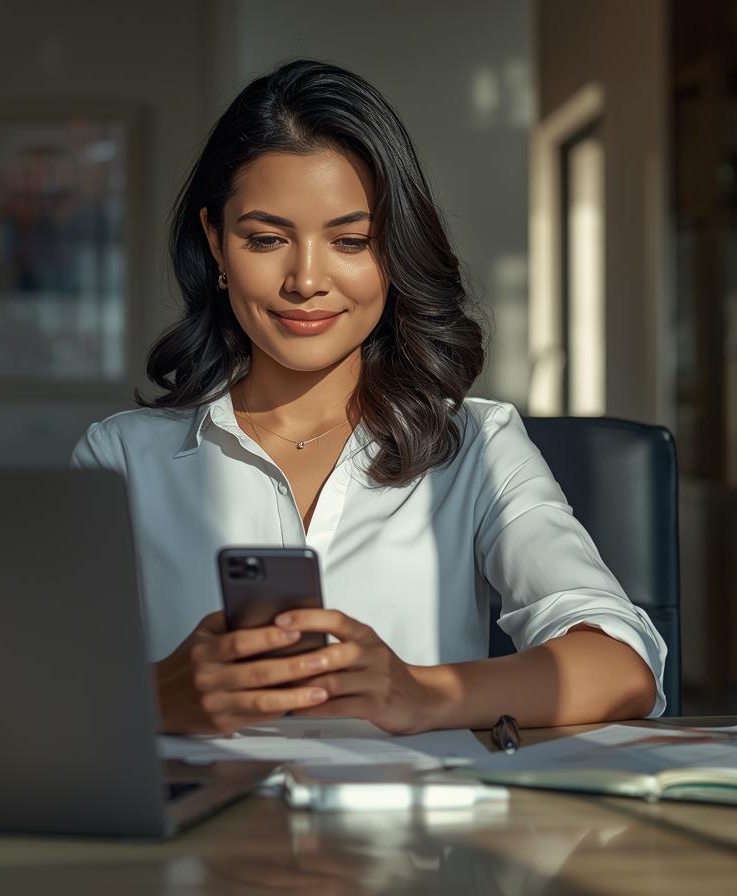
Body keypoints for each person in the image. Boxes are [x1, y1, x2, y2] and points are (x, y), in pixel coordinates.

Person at [71, 59, 665, 736]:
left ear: (395, 250)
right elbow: (41, 686)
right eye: (266, 239)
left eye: (351, 241)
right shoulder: (122, 456)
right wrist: (159, 698)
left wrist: (419, 693)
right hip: (195, 833)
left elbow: (623, 667)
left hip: (413, 837)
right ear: (215, 244)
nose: (306, 280)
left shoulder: (478, 446)